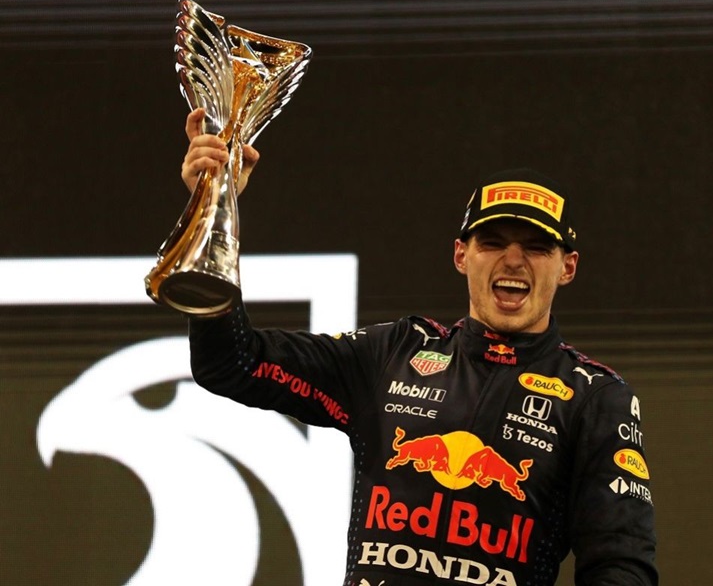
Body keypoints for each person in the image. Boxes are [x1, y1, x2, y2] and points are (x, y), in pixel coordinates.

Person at [181, 107, 658, 585]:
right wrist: (214, 210)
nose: (513, 260)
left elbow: (621, 566)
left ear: (567, 267)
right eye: (492, 242)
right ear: (461, 255)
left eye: (536, 247)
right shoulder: (394, 353)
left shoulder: (595, 398)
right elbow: (230, 362)